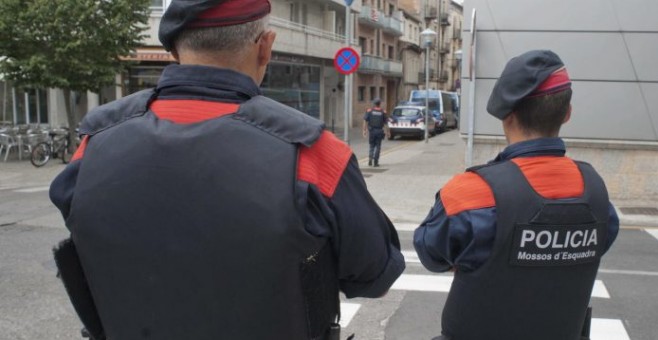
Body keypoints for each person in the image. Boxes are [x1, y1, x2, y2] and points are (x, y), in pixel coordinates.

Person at [49, 1, 405, 339]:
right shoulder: (314, 154)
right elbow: (375, 275)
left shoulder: (93, 145)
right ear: (265, 47)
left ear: (174, 51)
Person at [414, 50, 619, 340]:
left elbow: (431, 255)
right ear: (568, 113)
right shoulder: (595, 192)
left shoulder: (471, 192)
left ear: (507, 116)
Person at [362, 98, 390, 167]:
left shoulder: (369, 111)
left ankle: (370, 159)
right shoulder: (383, 112)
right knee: (378, 146)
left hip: (372, 131)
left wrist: (364, 130)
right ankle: (376, 162)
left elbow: (365, 121)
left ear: (374, 104)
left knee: (371, 146)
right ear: (379, 104)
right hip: (379, 131)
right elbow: (386, 123)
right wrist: (388, 132)